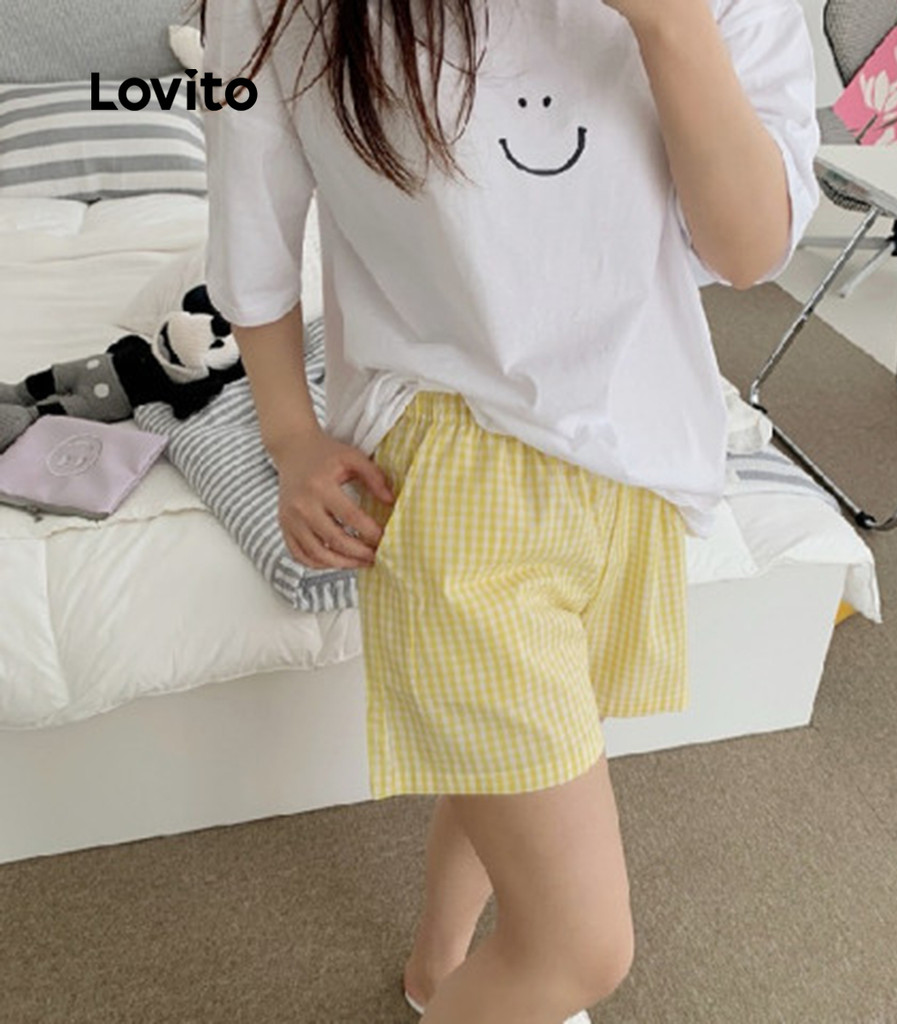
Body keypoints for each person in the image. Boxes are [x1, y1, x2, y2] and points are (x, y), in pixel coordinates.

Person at [199, 0, 819, 1020]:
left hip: (639, 447)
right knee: (578, 947)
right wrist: (289, 437)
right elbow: (249, 227)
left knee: (531, 757)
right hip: (450, 468)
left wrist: (670, 24)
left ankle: (435, 970)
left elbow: (749, 250)